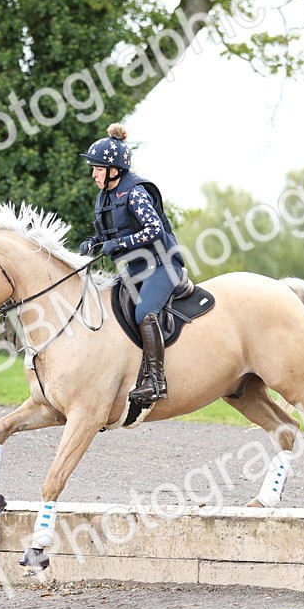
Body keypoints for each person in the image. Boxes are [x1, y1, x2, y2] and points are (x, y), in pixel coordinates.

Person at [78, 123, 186, 404]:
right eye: (94, 168)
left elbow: (154, 231)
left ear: (114, 169)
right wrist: (92, 243)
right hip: (136, 269)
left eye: (98, 168)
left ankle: (156, 382)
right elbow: (109, 235)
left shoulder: (136, 192)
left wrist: (116, 245)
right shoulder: (105, 197)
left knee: (144, 313)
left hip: (162, 265)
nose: (94, 174)